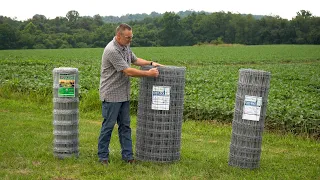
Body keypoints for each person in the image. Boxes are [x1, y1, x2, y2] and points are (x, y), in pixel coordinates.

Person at [98, 23, 163, 166]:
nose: (130, 40)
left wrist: (152, 63)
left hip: (123, 94)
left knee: (125, 126)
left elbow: (135, 60)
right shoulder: (112, 50)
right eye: (128, 38)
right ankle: (103, 156)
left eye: (131, 37)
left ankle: (128, 156)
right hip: (111, 94)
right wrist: (148, 74)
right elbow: (127, 71)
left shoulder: (125, 46)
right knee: (108, 126)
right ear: (118, 36)